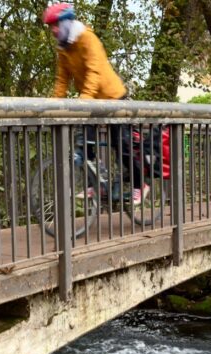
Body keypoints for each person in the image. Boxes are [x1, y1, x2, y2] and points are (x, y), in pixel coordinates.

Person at [43, 3, 148, 204]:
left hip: (113, 98)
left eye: (55, 24)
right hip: (91, 102)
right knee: (85, 144)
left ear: (66, 22)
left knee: (122, 145)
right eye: (51, 27)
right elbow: (62, 80)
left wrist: (85, 99)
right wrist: (54, 105)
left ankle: (139, 184)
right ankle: (96, 185)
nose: (53, 30)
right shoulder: (64, 49)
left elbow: (94, 71)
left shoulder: (88, 39)